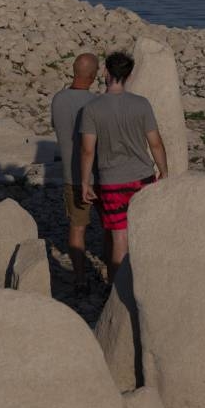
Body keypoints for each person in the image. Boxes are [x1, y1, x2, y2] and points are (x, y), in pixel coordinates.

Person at [79, 51, 168, 283]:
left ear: (105, 72)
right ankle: (146, 283)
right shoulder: (141, 104)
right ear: (129, 76)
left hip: (111, 181)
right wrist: (164, 171)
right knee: (142, 231)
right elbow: (155, 143)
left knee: (119, 236)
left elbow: (87, 150)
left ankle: (117, 291)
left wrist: (85, 182)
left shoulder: (92, 108)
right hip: (142, 176)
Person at [50, 53, 99, 295]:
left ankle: (80, 279)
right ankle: (113, 276)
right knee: (111, 228)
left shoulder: (58, 99)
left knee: (77, 227)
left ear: (73, 70)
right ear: (94, 75)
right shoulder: (96, 102)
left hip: (72, 174)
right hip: (98, 175)